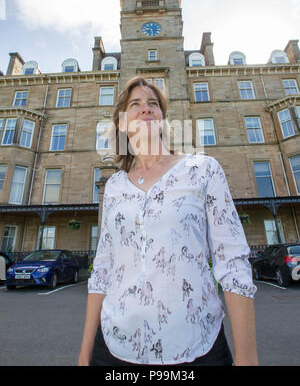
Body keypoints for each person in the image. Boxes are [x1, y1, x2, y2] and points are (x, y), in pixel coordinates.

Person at [78, 76, 258, 366]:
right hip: (113, 349)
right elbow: (103, 270)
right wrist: (85, 354)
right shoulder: (114, 187)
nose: (146, 108)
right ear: (123, 123)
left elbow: (233, 263)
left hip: (196, 347)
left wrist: (247, 358)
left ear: (162, 119)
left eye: (153, 104)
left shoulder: (203, 170)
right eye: (135, 104)